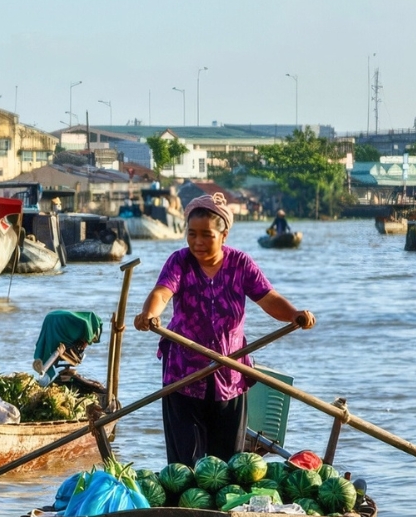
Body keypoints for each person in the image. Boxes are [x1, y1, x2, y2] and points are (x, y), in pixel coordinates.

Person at [133, 193, 315, 465]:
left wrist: (294, 315)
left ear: (224, 235)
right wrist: (149, 315)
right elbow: (162, 293)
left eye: (206, 235)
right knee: (185, 464)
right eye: (192, 234)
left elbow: (269, 299)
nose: (197, 242)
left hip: (230, 371)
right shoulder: (179, 262)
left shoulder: (241, 264)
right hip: (184, 374)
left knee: (228, 464)